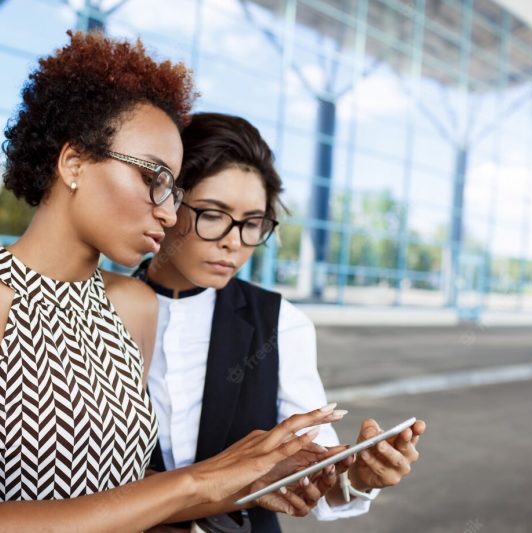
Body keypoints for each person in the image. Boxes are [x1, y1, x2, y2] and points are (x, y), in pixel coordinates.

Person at [0, 33, 346, 532]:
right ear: (74, 162)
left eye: (174, 189)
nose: (170, 213)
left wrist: (250, 479)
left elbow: (123, 494)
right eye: (155, 179)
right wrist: (199, 481)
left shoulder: (134, 305)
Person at [135, 112, 427, 532]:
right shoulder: (100, 307)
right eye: (213, 214)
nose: (233, 241)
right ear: (170, 203)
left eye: (253, 224)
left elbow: (313, 471)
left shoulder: (280, 324)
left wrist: (359, 478)